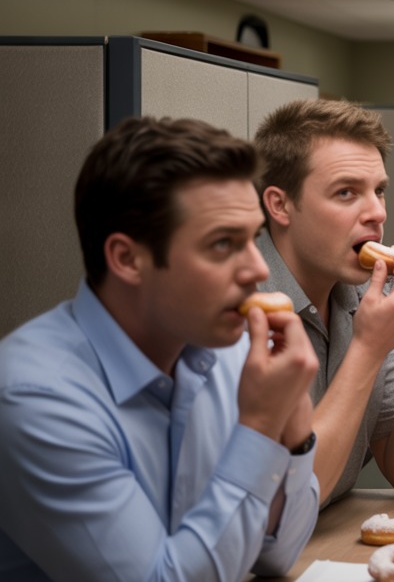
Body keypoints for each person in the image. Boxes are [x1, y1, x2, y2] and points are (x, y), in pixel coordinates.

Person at [0, 116, 320, 580]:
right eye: (222, 244)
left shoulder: (228, 354)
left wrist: (294, 433)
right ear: (128, 259)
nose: (256, 269)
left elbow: (273, 555)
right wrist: (260, 426)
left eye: (253, 238)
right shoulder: (36, 399)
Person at [254, 98, 394, 506]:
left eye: (379, 190)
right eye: (346, 193)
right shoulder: (239, 311)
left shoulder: (368, 297)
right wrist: (368, 349)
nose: (377, 213)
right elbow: (286, 501)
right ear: (280, 205)